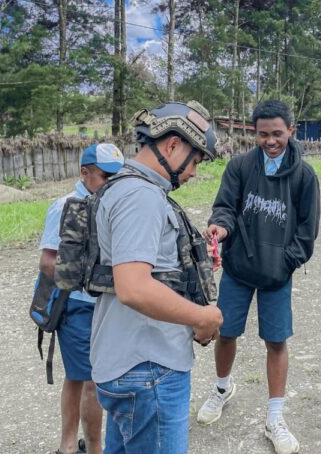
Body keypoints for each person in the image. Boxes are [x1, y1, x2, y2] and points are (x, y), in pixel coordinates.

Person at [90, 101, 224, 453]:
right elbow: (134, 287)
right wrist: (203, 317)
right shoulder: (141, 197)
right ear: (173, 145)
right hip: (149, 370)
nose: (194, 172)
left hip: (125, 362)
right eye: (195, 160)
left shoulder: (121, 186)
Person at [198, 99, 320, 454]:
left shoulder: (304, 176)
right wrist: (219, 229)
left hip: (276, 276)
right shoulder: (239, 167)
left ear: (291, 131)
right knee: (226, 331)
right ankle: (222, 387)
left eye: (277, 134)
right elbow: (225, 208)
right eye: (263, 134)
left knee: (276, 341)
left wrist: (285, 263)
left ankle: (275, 416)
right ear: (253, 132)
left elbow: (307, 231)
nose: (270, 141)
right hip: (237, 269)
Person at [39, 143, 124, 454]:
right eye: (106, 176)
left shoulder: (113, 204)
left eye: (118, 177)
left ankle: (78, 445)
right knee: (87, 378)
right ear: (84, 173)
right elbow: (48, 262)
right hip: (77, 306)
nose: (112, 183)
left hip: (108, 305)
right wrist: (90, 280)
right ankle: (86, 448)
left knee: (87, 377)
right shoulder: (65, 205)